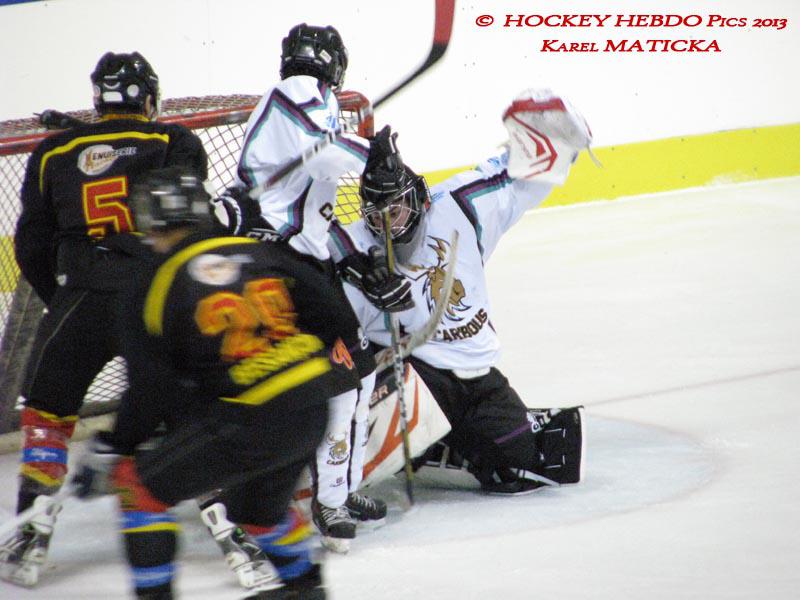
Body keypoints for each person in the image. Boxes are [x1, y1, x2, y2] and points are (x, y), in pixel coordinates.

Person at [72, 166, 355, 599]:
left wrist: (116, 446)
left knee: (138, 488)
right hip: (312, 406)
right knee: (257, 512)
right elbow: (337, 317)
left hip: (250, 419)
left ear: (147, 221)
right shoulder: (259, 252)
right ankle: (306, 589)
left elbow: (150, 388)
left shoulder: (153, 282)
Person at [0, 52, 208, 587]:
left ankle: (30, 532)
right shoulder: (174, 140)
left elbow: (31, 245)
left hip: (81, 298)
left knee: (48, 413)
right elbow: (190, 221)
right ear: (150, 99)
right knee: (188, 406)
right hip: (154, 298)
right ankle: (228, 520)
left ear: (98, 99)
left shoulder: (51, 151)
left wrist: (63, 298)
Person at [331, 89, 590, 495]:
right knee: (357, 452)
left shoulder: (463, 205)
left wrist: (560, 136)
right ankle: (405, 439)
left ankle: (437, 443)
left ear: (418, 200)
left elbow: (526, 171)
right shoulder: (350, 247)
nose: (387, 226)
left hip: (475, 371)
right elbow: (312, 298)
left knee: (518, 465)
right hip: (415, 372)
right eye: (375, 216)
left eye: (395, 211)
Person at [213, 23, 412, 552]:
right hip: (276, 266)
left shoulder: (313, 106)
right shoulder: (298, 92)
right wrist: (370, 152)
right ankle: (313, 503)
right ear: (334, 63)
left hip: (298, 264)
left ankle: (339, 492)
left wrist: (356, 262)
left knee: (357, 372)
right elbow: (328, 153)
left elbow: (318, 212)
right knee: (328, 384)